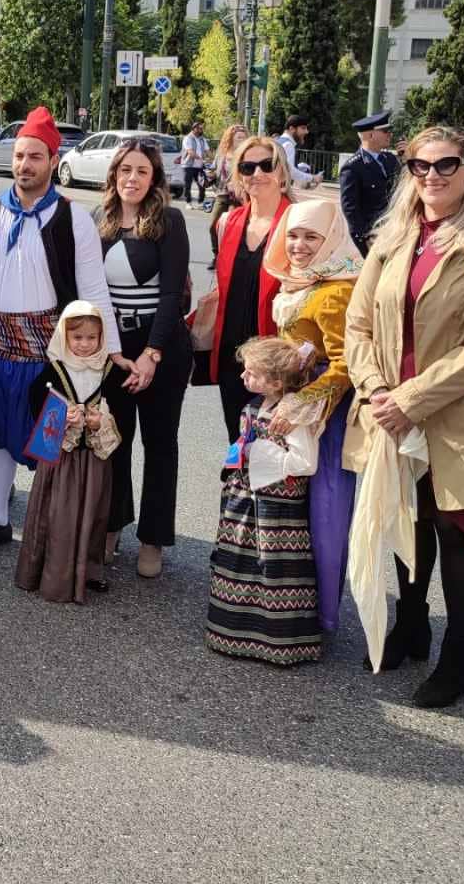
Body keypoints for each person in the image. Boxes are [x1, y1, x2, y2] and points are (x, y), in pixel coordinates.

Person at [344, 126, 464, 708]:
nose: (432, 175)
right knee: (409, 518)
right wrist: (377, 389)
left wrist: (411, 399)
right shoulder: (394, 237)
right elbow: (358, 325)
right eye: (419, 166)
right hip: (393, 410)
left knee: (456, 531)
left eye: (446, 164)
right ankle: (411, 622)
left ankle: (459, 653)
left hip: (463, 411)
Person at [0, 107, 119, 557]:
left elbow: (93, 291)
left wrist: (107, 355)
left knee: (49, 442)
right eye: (20, 155)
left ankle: (48, 530)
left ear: (53, 161)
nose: (25, 165)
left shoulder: (73, 219)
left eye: (36, 157)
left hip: (48, 356)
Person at [263, 198, 363, 635]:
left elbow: (346, 365)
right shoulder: (297, 281)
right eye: (293, 236)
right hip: (292, 406)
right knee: (289, 506)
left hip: (325, 416)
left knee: (324, 509)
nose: (299, 246)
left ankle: (320, 615)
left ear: (332, 240)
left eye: (311, 237)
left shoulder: (337, 290)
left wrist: (301, 402)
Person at [97, 138, 192, 579]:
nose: (131, 179)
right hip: (114, 349)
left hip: (161, 346)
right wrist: (113, 352)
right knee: (112, 441)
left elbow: (172, 294)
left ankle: (153, 538)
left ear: (154, 178)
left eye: (141, 171)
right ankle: (112, 525)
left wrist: (151, 355)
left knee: (159, 444)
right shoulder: (99, 220)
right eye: (125, 170)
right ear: (114, 175)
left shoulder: (169, 221)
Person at [205, 336, 324, 666]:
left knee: (274, 568)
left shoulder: (294, 414)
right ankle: (232, 632)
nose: (243, 377)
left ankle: (278, 642)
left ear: (276, 382)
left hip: (277, 508)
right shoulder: (253, 406)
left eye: (252, 373)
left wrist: (258, 454)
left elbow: (305, 462)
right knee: (239, 561)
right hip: (246, 497)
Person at [14, 302, 124, 604]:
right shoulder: (54, 369)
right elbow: (36, 403)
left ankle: (89, 571)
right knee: (56, 514)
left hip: (94, 461)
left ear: (102, 337)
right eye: (77, 337)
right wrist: (61, 417)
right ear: (64, 336)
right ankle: (51, 574)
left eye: (91, 338)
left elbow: (122, 413)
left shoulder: (110, 371)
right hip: (61, 461)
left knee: (93, 515)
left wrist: (101, 421)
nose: (84, 344)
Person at [207, 134, 294, 441]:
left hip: (278, 357)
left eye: (266, 165)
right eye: (247, 167)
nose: (257, 173)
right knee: (238, 439)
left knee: (276, 447)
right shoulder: (229, 222)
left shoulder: (297, 221)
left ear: (281, 171)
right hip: (234, 357)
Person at [338, 111, 400, 254]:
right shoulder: (353, 167)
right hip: (373, 235)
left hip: (394, 229)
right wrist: (364, 237)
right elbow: (350, 209)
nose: (390, 134)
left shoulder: (390, 159)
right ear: (371, 135)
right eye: (385, 131)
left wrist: (408, 159)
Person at [206, 124, 248, 270]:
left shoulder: (247, 156)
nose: (242, 140)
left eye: (244, 137)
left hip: (240, 196)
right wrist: (209, 176)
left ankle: (234, 259)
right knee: (213, 226)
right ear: (231, 139)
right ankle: (217, 256)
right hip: (223, 194)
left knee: (238, 228)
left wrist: (239, 184)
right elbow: (214, 171)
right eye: (239, 137)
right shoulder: (222, 155)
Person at [276, 114, 320, 189]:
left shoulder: (278, 141)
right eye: (303, 128)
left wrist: (298, 167)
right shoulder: (288, 145)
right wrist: (313, 178)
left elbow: (281, 167)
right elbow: (290, 171)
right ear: (292, 129)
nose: (306, 132)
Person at [181, 121, 210, 208]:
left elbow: (207, 151)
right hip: (188, 165)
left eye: (202, 128)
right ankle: (188, 202)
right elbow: (190, 152)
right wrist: (201, 159)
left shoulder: (202, 139)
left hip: (199, 166)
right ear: (194, 129)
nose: (201, 130)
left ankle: (200, 202)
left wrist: (211, 159)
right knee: (188, 185)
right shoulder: (187, 138)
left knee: (202, 184)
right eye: (200, 128)